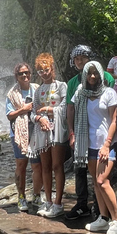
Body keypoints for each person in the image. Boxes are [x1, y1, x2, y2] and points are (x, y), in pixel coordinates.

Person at [68, 61, 117, 234]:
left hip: (106, 143)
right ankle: (103, 217)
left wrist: (107, 144)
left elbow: (114, 120)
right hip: (88, 144)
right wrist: (73, 134)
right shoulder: (80, 93)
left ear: (101, 74)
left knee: (102, 181)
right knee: (95, 181)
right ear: (84, 75)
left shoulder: (109, 93)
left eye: (95, 73)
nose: (92, 76)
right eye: (89, 73)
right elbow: (70, 111)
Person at [64, 45, 115, 220]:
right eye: (77, 59)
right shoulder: (73, 84)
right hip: (81, 131)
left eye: (83, 58)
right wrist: (71, 132)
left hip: (102, 133)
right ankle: (82, 203)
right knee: (80, 168)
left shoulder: (106, 78)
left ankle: (103, 211)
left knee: (102, 176)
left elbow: (114, 104)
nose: (80, 61)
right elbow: (70, 109)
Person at [28, 53, 68, 218]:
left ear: (52, 69)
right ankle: (48, 201)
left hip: (57, 130)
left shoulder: (61, 86)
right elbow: (32, 112)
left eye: (46, 69)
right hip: (42, 131)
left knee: (57, 166)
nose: (44, 73)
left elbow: (66, 107)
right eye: (40, 71)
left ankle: (58, 203)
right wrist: (39, 118)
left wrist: (48, 110)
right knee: (45, 167)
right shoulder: (38, 91)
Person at [6, 62, 42, 212]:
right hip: (19, 134)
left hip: (36, 131)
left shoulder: (37, 89)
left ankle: (37, 195)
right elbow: (9, 116)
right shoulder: (12, 94)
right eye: (21, 73)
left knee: (36, 165)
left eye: (27, 72)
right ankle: (21, 196)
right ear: (16, 76)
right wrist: (24, 109)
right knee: (21, 165)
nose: (25, 75)